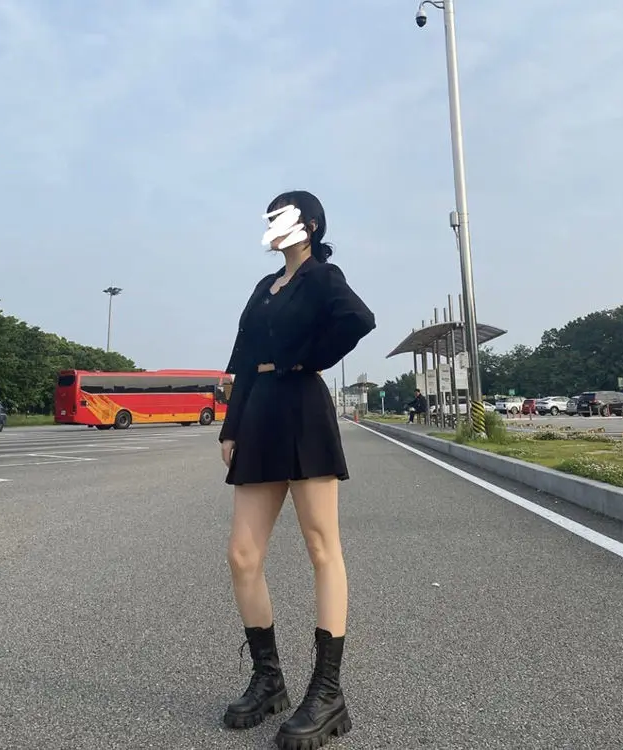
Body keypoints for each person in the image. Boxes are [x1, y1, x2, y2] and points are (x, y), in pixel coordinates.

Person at [219, 190, 376, 749]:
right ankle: (269, 680)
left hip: (304, 410)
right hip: (259, 414)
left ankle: (328, 692)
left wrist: (304, 358)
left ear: (308, 225)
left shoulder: (322, 277)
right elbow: (242, 361)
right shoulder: (264, 288)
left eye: (282, 217)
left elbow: (358, 319)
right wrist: (230, 428)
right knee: (242, 554)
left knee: (321, 546)